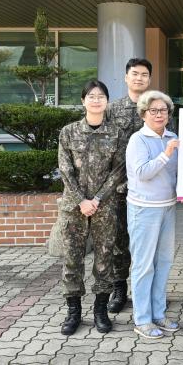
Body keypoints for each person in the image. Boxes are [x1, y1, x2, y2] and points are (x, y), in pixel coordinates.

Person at [57, 80, 124, 335]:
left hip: (104, 207)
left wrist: (96, 199)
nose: (96, 100)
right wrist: (81, 200)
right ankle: (73, 313)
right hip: (74, 207)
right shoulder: (69, 132)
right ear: (83, 101)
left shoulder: (116, 133)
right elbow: (65, 170)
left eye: (101, 96)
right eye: (91, 96)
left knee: (104, 260)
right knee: (72, 259)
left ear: (107, 102)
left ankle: (100, 311)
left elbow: (117, 171)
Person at [126, 90, 180, 339]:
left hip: (168, 207)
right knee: (143, 266)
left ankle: (159, 314)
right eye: (154, 110)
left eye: (164, 110)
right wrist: (166, 153)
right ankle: (143, 319)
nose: (159, 115)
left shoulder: (172, 136)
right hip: (144, 209)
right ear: (144, 114)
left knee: (164, 264)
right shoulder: (138, 140)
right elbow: (143, 173)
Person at [105, 58, 153, 314]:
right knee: (119, 241)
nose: (139, 78)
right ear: (126, 78)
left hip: (150, 189)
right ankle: (119, 288)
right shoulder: (112, 110)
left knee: (147, 242)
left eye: (144, 75)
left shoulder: (157, 107)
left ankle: (149, 290)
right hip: (119, 188)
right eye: (134, 74)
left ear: (149, 79)